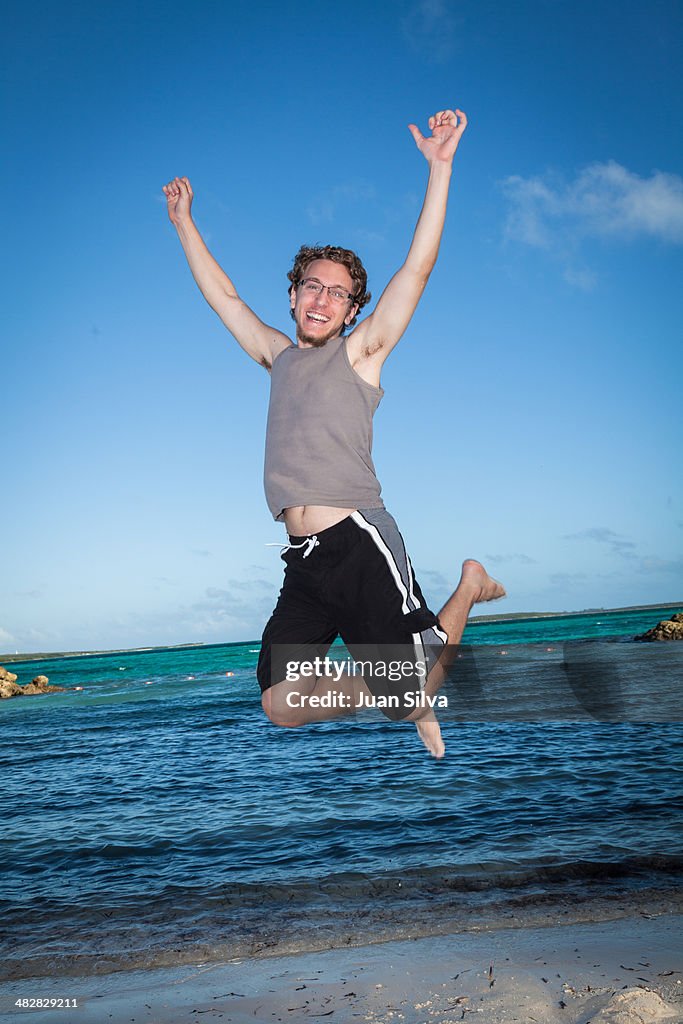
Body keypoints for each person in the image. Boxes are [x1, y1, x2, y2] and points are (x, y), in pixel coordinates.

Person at [163, 107, 505, 758]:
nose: (321, 300)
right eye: (310, 287)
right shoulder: (277, 356)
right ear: (292, 294)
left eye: (337, 294)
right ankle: (405, 693)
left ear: (353, 311)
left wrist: (440, 169)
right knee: (280, 704)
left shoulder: (360, 356)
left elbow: (417, 271)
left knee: (409, 687)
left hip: (356, 541)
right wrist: (183, 224)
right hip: (304, 562)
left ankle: (465, 591)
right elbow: (226, 301)